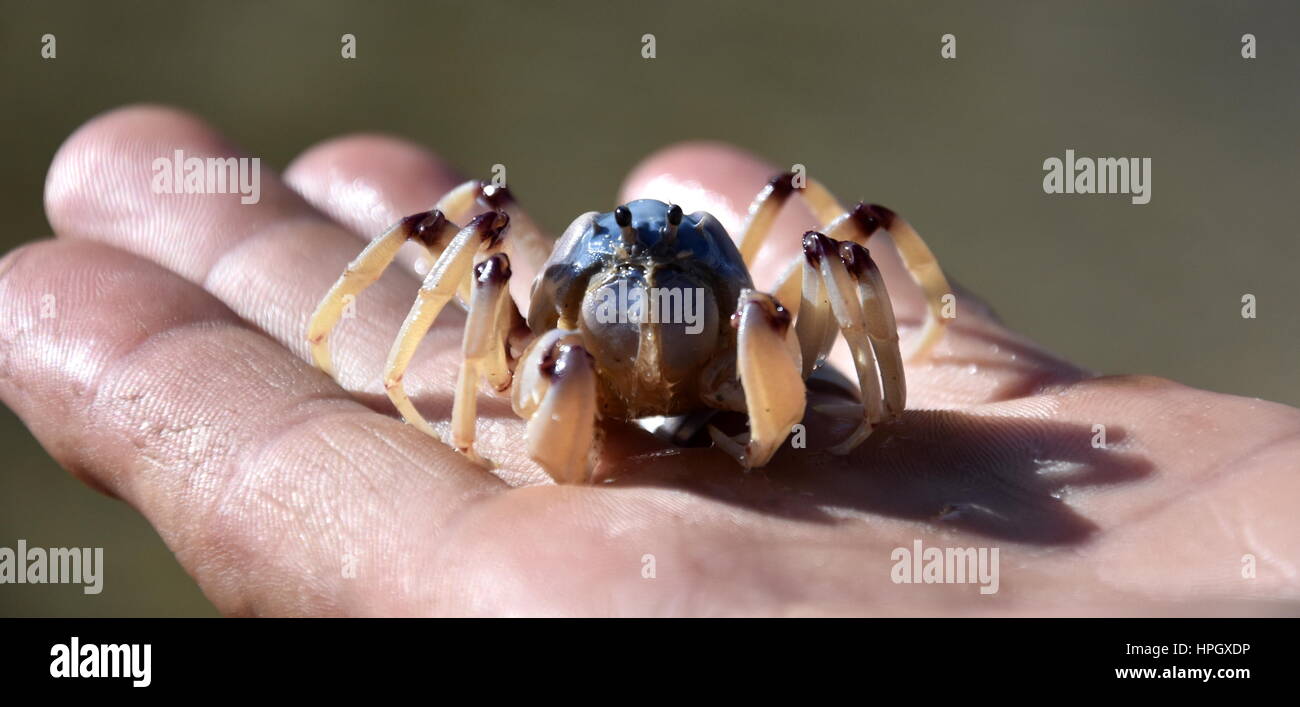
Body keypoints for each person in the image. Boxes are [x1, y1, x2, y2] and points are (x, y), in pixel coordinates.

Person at [2, 105, 1296, 616]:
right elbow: (436, 253)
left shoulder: (753, 304)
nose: (647, 293)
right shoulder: (542, 304)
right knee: (436, 225)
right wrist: (408, 377)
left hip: (751, 356)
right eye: (624, 277)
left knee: (838, 241)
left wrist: (878, 396)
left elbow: (862, 251)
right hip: (572, 368)